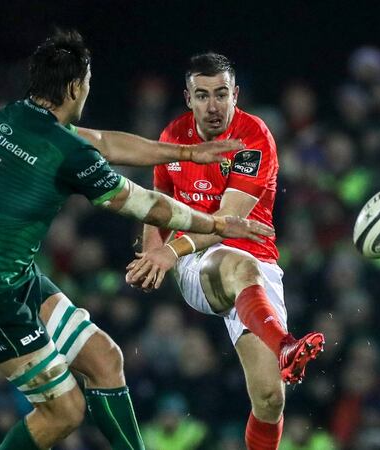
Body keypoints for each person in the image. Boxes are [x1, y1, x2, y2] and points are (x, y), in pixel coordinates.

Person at [0, 30, 274, 450]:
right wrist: (217, 225)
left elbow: (105, 142)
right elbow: (144, 204)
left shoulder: (12, 117)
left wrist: (185, 154)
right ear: (77, 86)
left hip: (14, 278)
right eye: (88, 84)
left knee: (104, 359)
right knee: (64, 412)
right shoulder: (63, 151)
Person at [126, 52, 325, 450]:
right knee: (236, 264)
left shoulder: (254, 138)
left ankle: (278, 350)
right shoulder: (173, 136)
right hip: (197, 263)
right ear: (188, 97)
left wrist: (168, 250)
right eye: (202, 96)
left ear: (237, 94)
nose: (212, 106)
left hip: (253, 258)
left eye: (221, 94)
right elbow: (158, 204)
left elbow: (227, 220)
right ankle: (284, 344)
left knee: (270, 399)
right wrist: (154, 253)